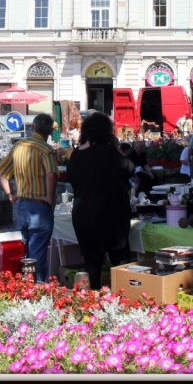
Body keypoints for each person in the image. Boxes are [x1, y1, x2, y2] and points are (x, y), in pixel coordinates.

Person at [67, 113, 136, 290]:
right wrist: (117, 147)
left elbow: (74, 183)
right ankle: (123, 301)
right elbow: (129, 169)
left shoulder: (76, 156)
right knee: (120, 262)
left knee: (92, 264)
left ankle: (92, 303)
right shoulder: (110, 153)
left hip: (84, 215)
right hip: (111, 216)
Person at [0, 113, 58, 283]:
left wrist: (10, 195)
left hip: (22, 204)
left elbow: (1, 172)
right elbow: (51, 174)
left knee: (26, 247)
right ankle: (35, 286)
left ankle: (26, 284)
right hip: (39, 205)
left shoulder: (18, 146)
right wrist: (50, 197)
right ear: (49, 132)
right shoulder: (47, 150)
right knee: (37, 249)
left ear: (33, 127)